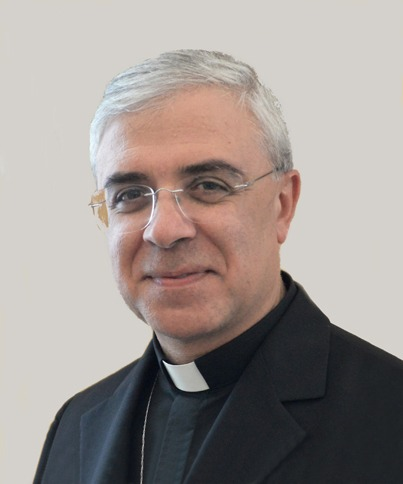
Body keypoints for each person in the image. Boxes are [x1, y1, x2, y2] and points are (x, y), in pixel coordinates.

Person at [34, 50, 403, 484]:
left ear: (282, 205)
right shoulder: (75, 427)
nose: (163, 230)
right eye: (130, 195)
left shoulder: (389, 414)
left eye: (208, 186)